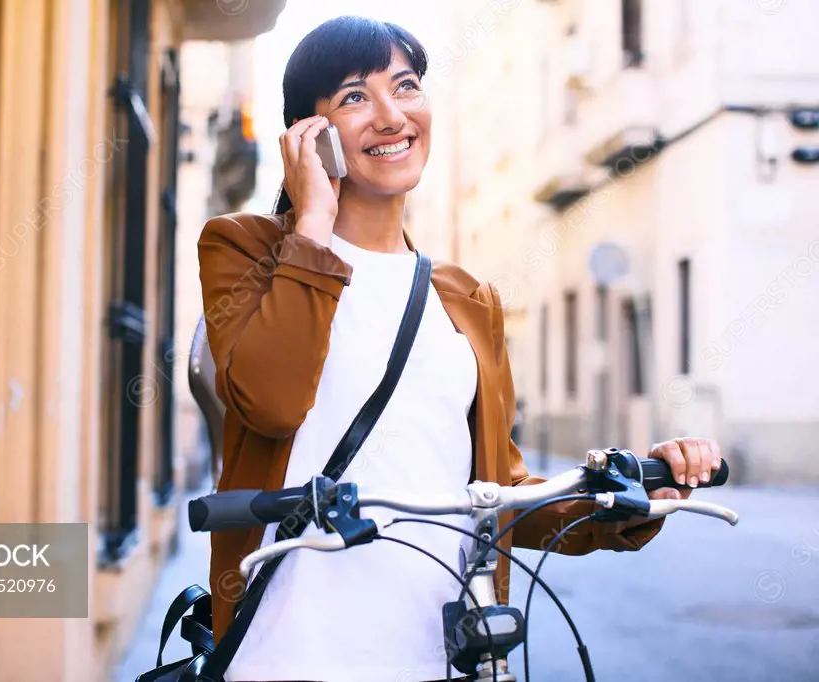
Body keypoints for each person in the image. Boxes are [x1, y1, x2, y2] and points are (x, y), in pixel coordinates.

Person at [197, 16, 723, 682]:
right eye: (355, 97)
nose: (391, 116)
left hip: (440, 659)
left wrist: (630, 497)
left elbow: (497, 490)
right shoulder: (245, 249)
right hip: (285, 656)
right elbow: (271, 404)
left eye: (406, 86)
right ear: (308, 135)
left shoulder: (467, 298)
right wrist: (313, 227)